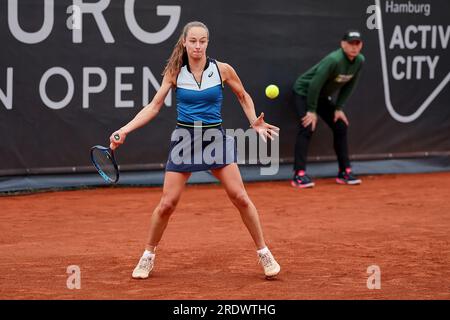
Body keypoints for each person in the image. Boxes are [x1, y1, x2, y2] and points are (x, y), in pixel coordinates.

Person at [109, 21, 281, 279]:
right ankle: (148, 256)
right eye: (193, 41)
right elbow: (154, 106)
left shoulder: (222, 70)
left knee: (240, 197)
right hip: (185, 141)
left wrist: (253, 120)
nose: (198, 46)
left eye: (202, 41)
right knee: (167, 204)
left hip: (215, 139)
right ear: (185, 42)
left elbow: (243, 96)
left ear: (207, 43)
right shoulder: (175, 72)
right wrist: (125, 129)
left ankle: (264, 252)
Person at [291, 30, 365, 188]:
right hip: (305, 92)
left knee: (340, 125)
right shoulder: (334, 60)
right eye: (351, 43)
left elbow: (350, 85)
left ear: (361, 45)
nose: (354, 47)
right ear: (343, 44)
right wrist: (311, 110)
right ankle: (299, 174)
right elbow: (314, 84)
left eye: (357, 43)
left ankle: (345, 172)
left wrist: (339, 107)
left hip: (321, 96)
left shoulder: (359, 61)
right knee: (307, 126)